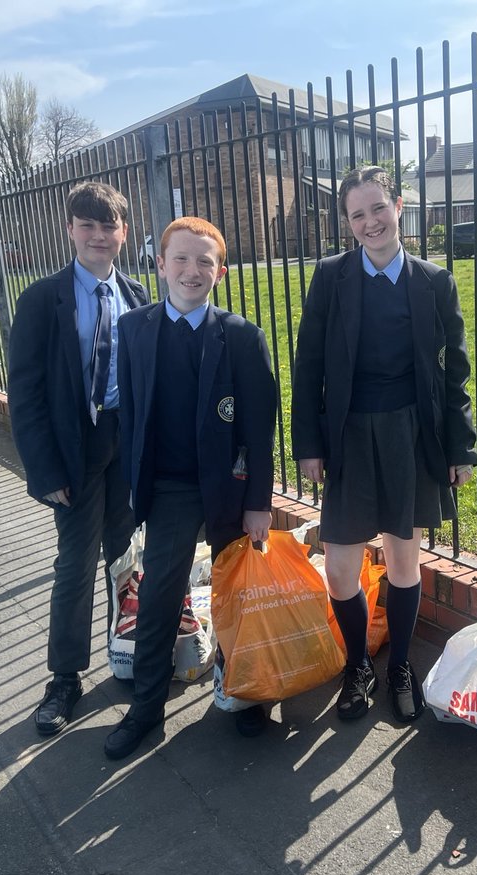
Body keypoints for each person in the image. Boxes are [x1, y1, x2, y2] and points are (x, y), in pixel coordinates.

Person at [291, 165, 477, 724]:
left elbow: (454, 374)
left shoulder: (433, 281)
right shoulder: (331, 277)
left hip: (410, 434)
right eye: (357, 214)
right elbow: (310, 368)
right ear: (347, 223)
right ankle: (357, 666)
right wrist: (309, 444)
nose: (370, 222)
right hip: (348, 434)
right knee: (341, 569)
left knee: (403, 560)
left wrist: (459, 446)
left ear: (399, 207)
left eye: (378, 208)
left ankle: (398, 665)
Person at [105, 216, 277, 760]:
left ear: (221, 272)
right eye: (180, 258)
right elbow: (130, 417)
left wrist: (257, 505)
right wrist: (134, 494)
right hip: (170, 488)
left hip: (229, 486)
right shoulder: (134, 330)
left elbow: (259, 428)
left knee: (237, 595)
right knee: (158, 599)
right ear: (159, 264)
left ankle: (246, 697)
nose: (192, 270)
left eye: (205, 261)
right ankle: (146, 709)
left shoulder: (243, 337)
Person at [8, 181, 150, 737]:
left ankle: (127, 649)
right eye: (86, 225)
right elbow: (25, 393)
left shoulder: (136, 295)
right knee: (76, 561)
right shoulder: (44, 299)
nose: (98, 235)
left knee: (125, 557)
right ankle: (64, 678)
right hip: (76, 447)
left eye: (108, 226)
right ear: (70, 230)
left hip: (126, 445)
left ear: (123, 233)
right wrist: (44, 472)